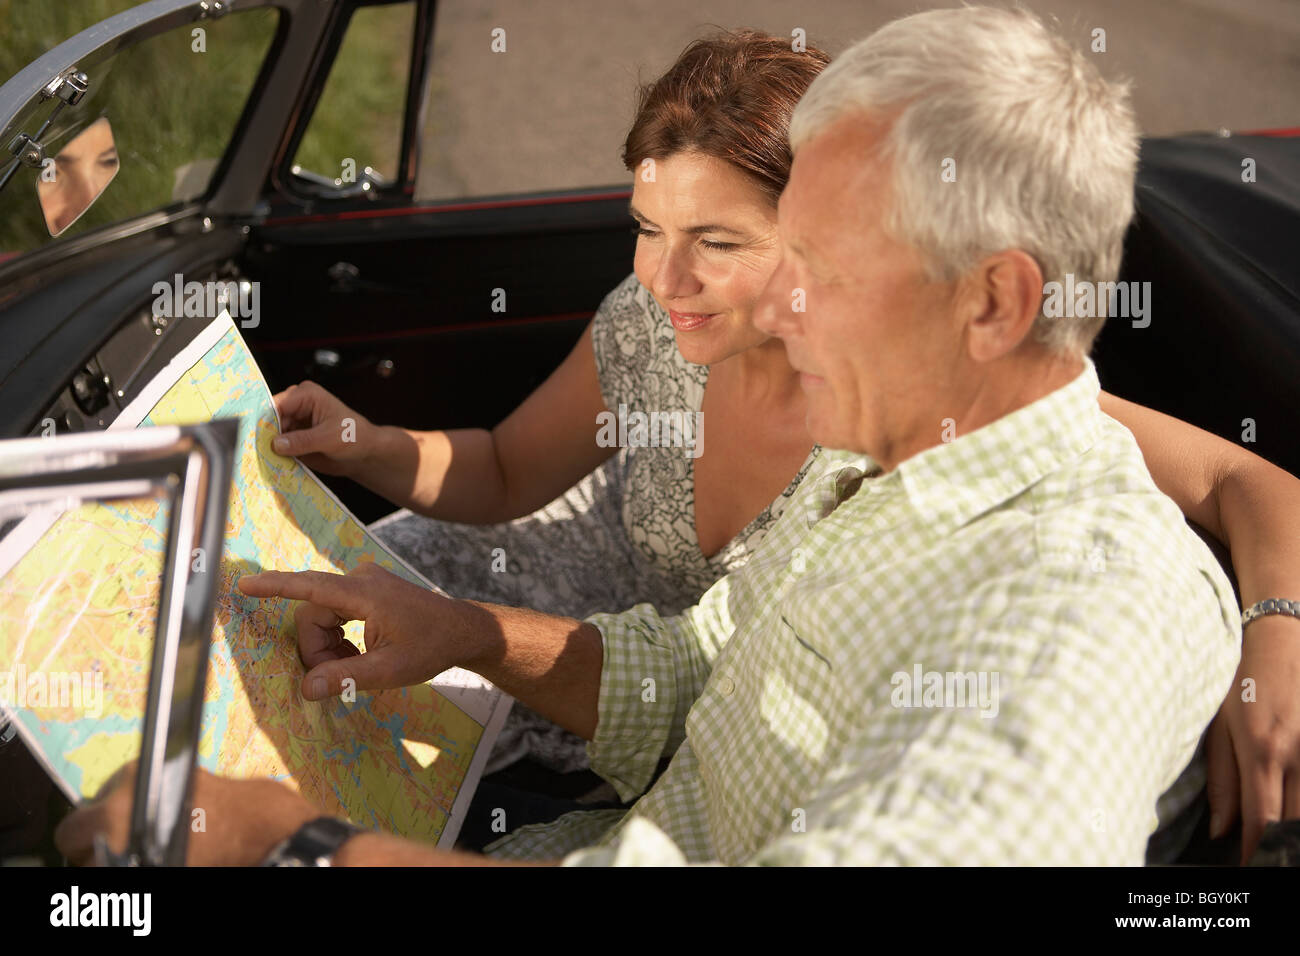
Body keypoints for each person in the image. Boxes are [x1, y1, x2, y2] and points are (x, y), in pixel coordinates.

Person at [60, 6, 1276, 866]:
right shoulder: (881, 460)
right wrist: (467, 636)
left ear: (994, 305)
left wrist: (292, 846)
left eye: (818, 265)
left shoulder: (1079, 614)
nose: (773, 306)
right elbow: (689, 669)